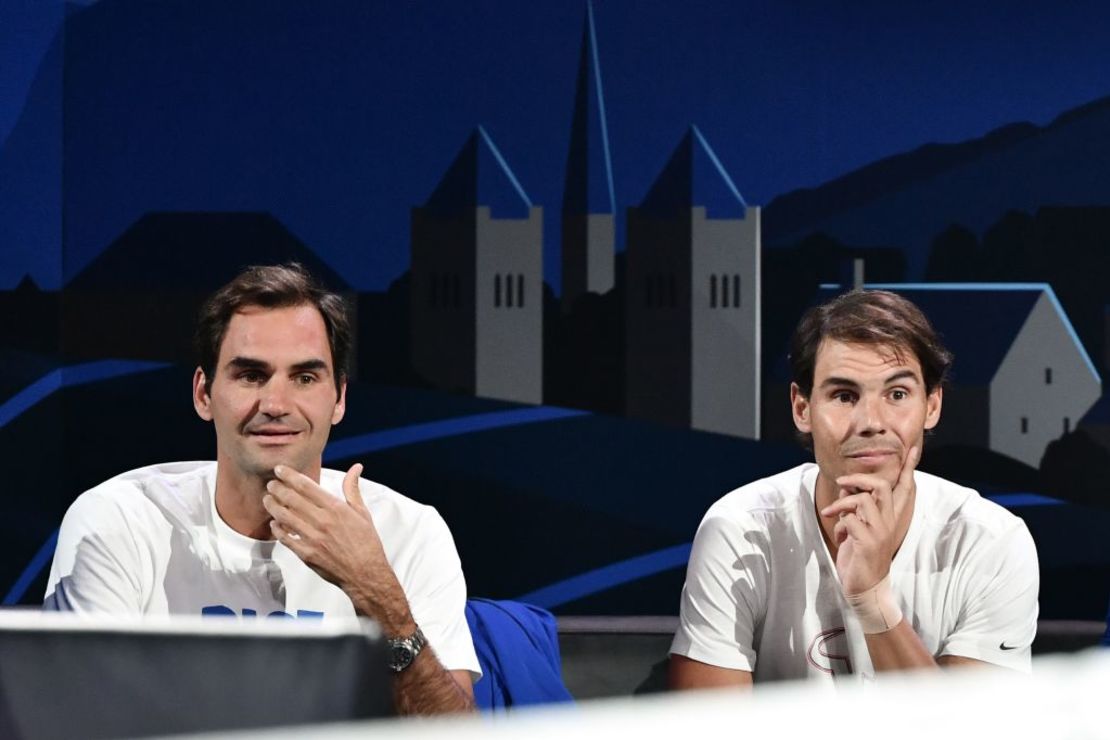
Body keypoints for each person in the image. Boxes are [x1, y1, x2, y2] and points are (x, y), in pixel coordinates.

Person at [45, 263, 479, 714]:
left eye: (305, 378)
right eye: (251, 375)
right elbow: (83, 719)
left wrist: (378, 596)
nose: (275, 404)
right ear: (203, 394)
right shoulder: (119, 523)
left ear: (339, 399)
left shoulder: (408, 532)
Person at [669, 289, 1039, 687]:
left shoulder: (993, 542)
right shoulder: (739, 530)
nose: (871, 422)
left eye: (897, 394)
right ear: (802, 408)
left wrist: (872, 599)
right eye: (844, 396)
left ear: (932, 406)